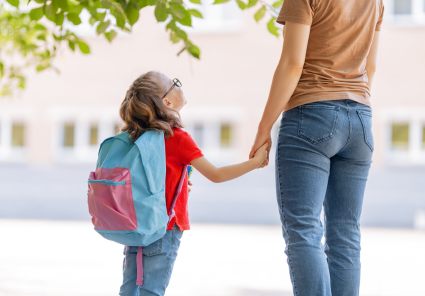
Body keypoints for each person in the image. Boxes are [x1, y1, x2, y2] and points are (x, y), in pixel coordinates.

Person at [249, 0, 384, 295]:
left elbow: (293, 64)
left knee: (303, 230)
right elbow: (370, 67)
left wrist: (263, 128)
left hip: (311, 114)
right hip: (361, 118)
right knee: (346, 232)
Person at [119, 71, 268, 296]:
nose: (179, 85)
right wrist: (255, 162)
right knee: (151, 291)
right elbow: (216, 174)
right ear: (167, 102)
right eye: (174, 83)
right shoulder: (177, 138)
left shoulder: (135, 135)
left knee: (130, 289)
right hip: (164, 226)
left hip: (135, 225)